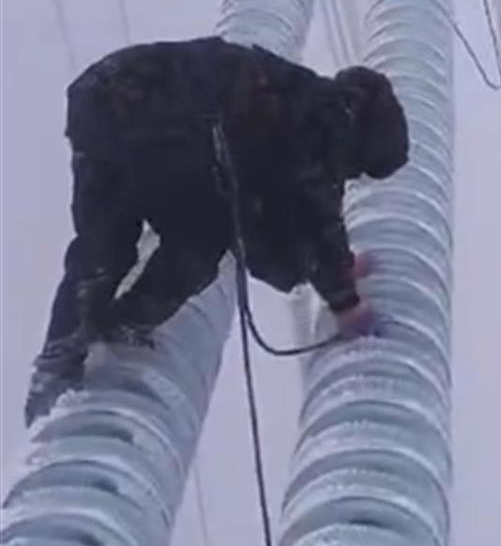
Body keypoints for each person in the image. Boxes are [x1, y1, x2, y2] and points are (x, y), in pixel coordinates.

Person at [24, 38, 409, 426]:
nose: (350, 177)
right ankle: (124, 324)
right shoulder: (320, 129)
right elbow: (314, 219)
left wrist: (336, 267)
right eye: (360, 170)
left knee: (103, 247)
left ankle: (59, 361)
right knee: (199, 242)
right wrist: (347, 304)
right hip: (158, 127)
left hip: (100, 99)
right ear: (363, 146)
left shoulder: (299, 92)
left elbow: (303, 221)